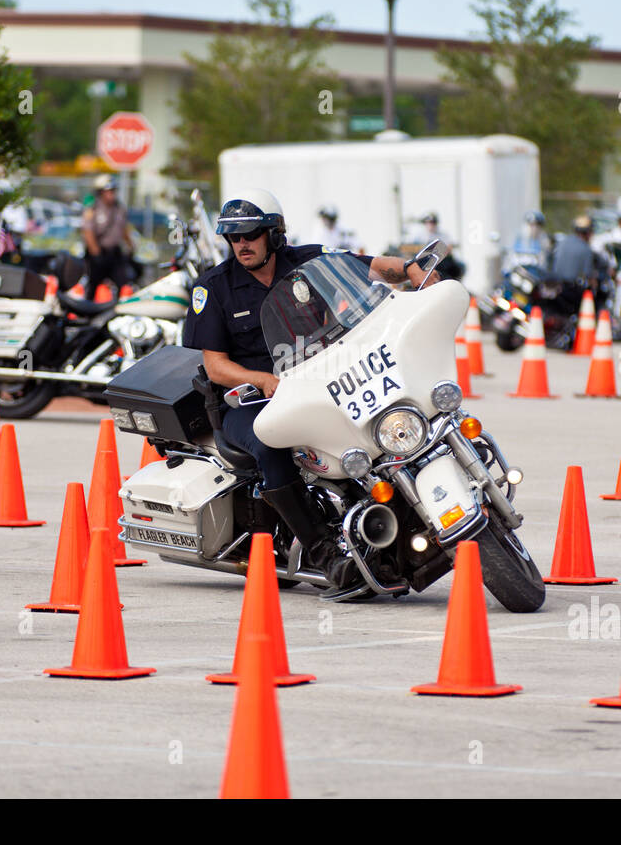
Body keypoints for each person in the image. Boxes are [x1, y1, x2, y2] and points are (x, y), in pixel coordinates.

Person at [183, 188, 436, 597]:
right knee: (271, 446)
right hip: (252, 401)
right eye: (233, 237)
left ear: (274, 233)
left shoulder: (309, 261)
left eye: (250, 234)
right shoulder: (215, 287)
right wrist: (261, 379)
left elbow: (370, 267)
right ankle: (325, 554)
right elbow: (215, 366)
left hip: (322, 384)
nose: (241, 244)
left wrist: (410, 269)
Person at [81, 174, 138, 297]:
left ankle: (118, 310)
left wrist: (131, 246)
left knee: (124, 284)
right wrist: (96, 253)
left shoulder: (119, 208)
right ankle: (88, 312)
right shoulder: (93, 209)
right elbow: (88, 232)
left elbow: (123, 229)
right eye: (109, 191)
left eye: (113, 190)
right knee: (92, 286)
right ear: (101, 192)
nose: (112, 194)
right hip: (98, 255)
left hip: (114, 254)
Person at [503, 210, 549, 280]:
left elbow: (544, 265)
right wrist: (506, 270)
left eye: (537, 226)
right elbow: (509, 260)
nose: (534, 228)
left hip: (533, 280)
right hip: (517, 278)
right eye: (531, 225)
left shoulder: (543, 242)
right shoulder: (516, 240)